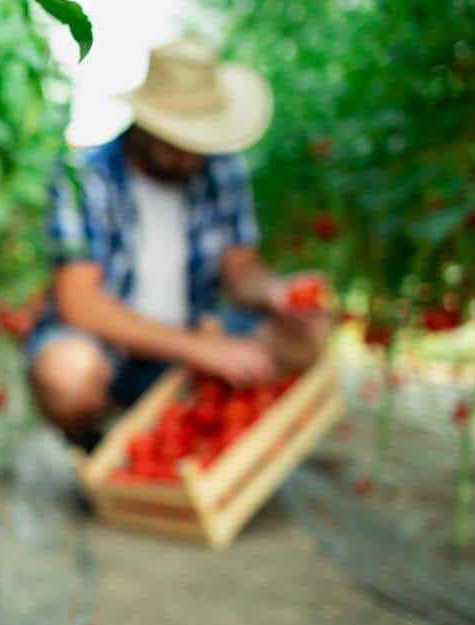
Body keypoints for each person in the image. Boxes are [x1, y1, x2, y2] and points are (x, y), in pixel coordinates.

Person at [28, 38, 329, 449]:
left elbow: (240, 268)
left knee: (311, 332)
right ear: (146, 125)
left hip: (193, 336)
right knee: (66, 374)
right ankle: (98, 444)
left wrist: (275, 292)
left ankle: (209, 437)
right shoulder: (84, 176)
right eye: (178, 143)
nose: (192, 158)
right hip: (113, 351)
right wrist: (202, 349)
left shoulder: (221, 170)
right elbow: (79, 303)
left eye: (200, 144)